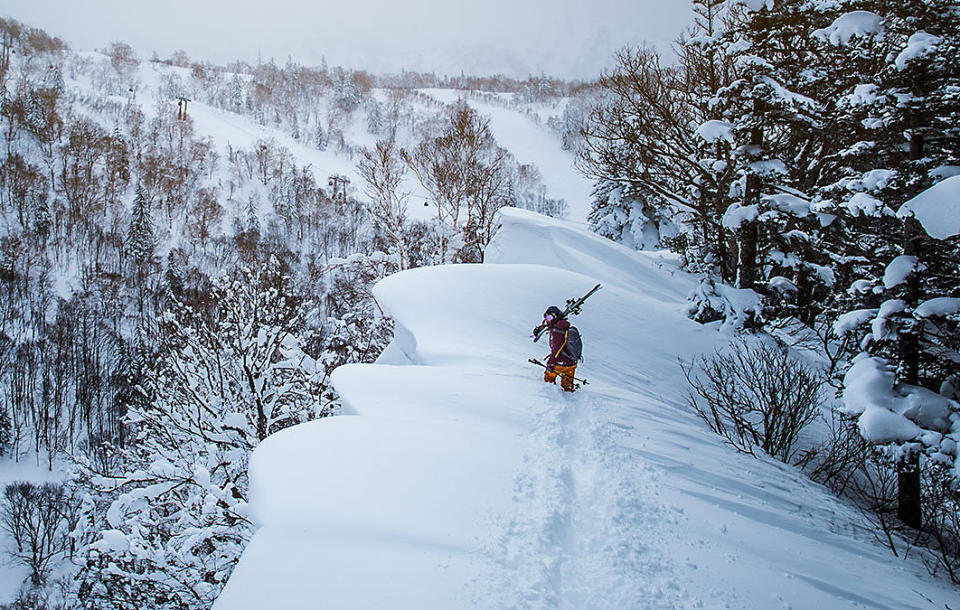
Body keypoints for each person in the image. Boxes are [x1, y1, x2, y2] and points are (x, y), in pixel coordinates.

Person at [534, 305, 578, 392]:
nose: (547, 320)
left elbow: (556, 350)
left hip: (560, 363)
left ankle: (552, 398)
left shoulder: (556, 331)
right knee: (568, 388)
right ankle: (570, 399)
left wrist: (550, 364)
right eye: (546, 317)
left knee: (549, 380)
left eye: (549, 317)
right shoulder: (564, 327)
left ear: (555, 317)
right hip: (571, 363)